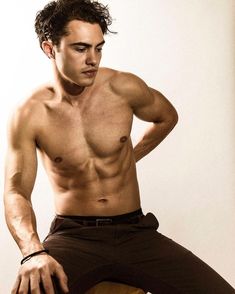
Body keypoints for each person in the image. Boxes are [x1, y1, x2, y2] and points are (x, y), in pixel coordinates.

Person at [3, 0, 235, 293]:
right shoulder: (30, 114)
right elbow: (16, 191)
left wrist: (129, 156)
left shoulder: (123, 88)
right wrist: (32, 251)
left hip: (135, 234)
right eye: (81, 48)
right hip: (74, 238)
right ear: (50, 49)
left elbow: (166, 117)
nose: (93, 59)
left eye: (98, 47)